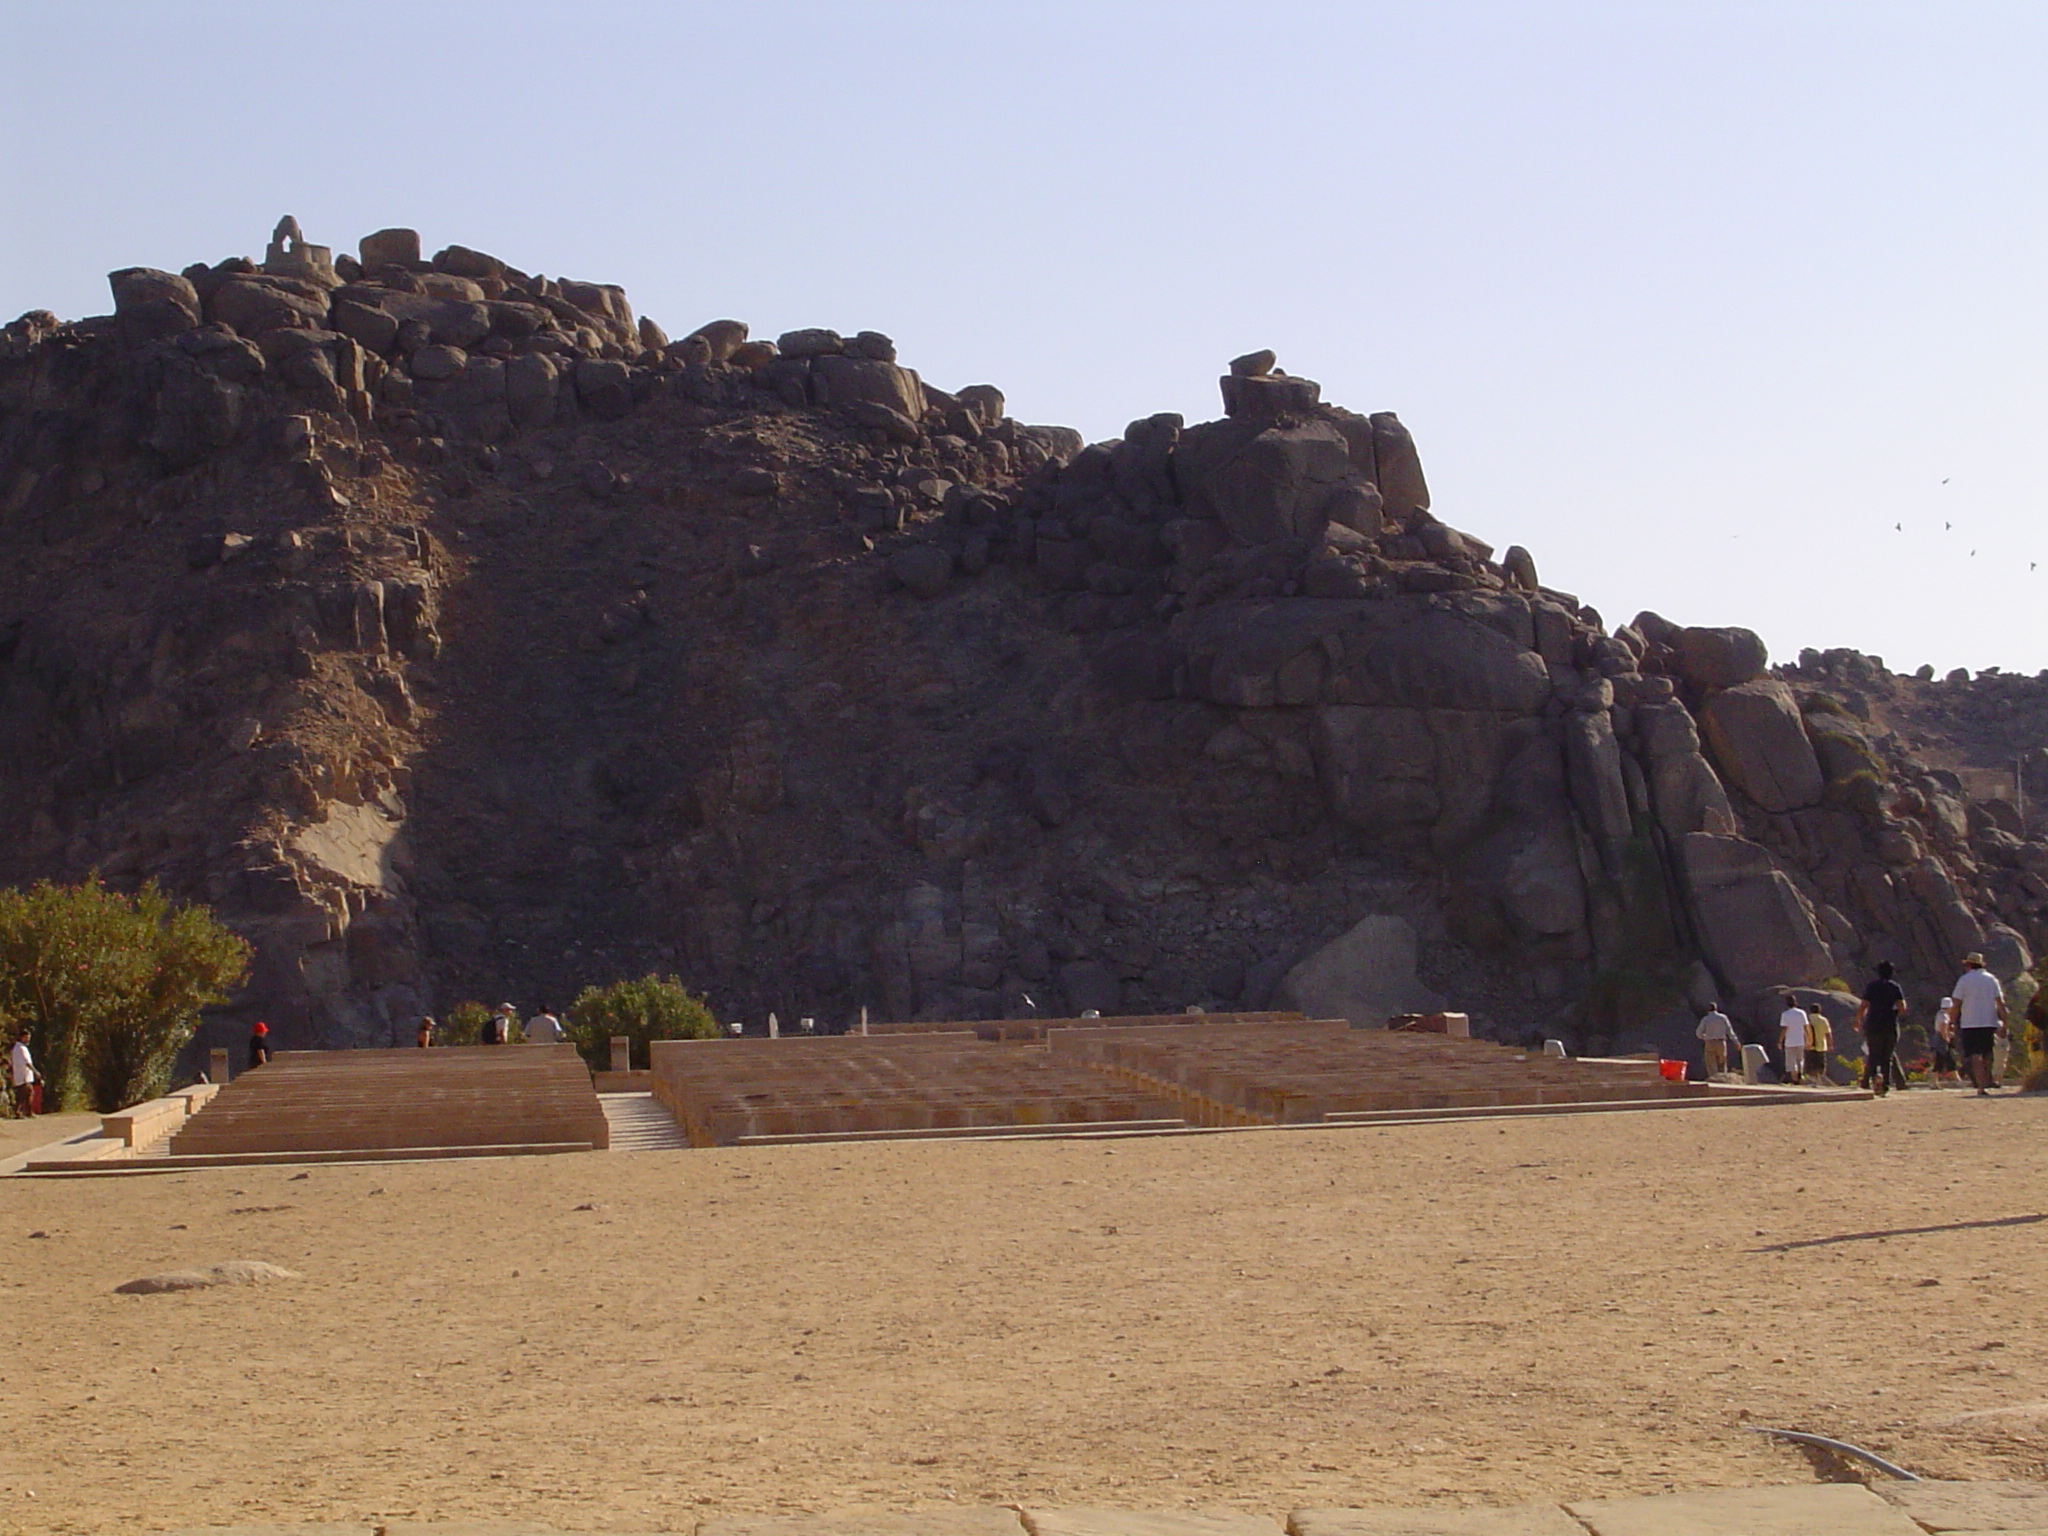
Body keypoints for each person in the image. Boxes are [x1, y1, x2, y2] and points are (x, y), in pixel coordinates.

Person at [1951, 952, 2009, 1095]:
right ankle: (1987, 1079)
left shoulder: (1964, 980)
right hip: (1989, 1021)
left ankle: (1981, 1085)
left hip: (1969, 1023)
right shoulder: (1991, 979)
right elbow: (2000, 1003)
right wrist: (2005, 1024)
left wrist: (1951, 1022)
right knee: (1987, 1053)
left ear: (1969, 965)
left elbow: (1956, 1003)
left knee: (1974, 1055)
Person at [1856, 962, 1906, 1095]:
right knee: (1887, 1057)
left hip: (1873, 1023)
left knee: (1873, 1054)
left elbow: (1864, 1005)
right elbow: (1902, 1006)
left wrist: (1858, 1020)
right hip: (1890, 1024)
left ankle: (1870, 1080)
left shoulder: (1872, 986)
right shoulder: (1895, 987)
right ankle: (1885, 1084)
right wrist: (1894, 1014)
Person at [1695, 1003, 1738, 1077]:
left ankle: (1713, 1078)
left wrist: (1704, 1037)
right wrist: (1736, 1041)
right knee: (1722, 1061)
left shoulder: (1706, 1019)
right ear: (1716, 1008)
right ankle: (1723, 1077)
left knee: (1710, 1062)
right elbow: (1729, 1031)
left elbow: (1698, 1033)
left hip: (1710, 1042)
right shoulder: (1723, 1017)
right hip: (1721, 1041)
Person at [1777, 995, 1810, 1085]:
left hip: (1790, 1041)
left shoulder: (1785, 1014)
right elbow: (1806, 1027)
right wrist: (1808, 1039)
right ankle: (1800, 1074)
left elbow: (1784, 1029)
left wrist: (1780, 1041)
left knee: (1791, 1061)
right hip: (1800, 1040)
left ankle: (1795, 1079)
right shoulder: (1802, 1013)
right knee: (1800, 1059)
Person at [1929, 996, 1961, 1087]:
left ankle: (1957, 1080)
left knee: (1950, 1059)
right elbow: (1943, 1027)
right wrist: (1946, 1038)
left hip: (1938, 1038)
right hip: (1941, 1040)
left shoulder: (1940, 1014)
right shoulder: (1944, 1016)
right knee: (1940, 1059)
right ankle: (1934, 1082)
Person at [9, 1027, 39, 1118]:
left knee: (25, 1094)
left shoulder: (18, 1048)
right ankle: (22, 1112)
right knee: (26, 1093)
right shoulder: (21, 1048)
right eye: (26, 1038)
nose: (28, 1040)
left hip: (21, 1075)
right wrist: (35, 1072)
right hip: (23, 1076)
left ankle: (24, 1112)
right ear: (21, 1037)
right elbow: (27, 1062)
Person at [1805, 1005, 1833, 1085]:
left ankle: (1812, 1081)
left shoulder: (1807, 1020)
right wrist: (1830, 1045)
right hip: (1821, 1046)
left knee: (1811, 1065)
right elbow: (1828, 1034)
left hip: (1809, 1046)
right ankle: (1820, 1081)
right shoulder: (1823, 1020)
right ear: (1819, 1011)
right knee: (1821, 1065)